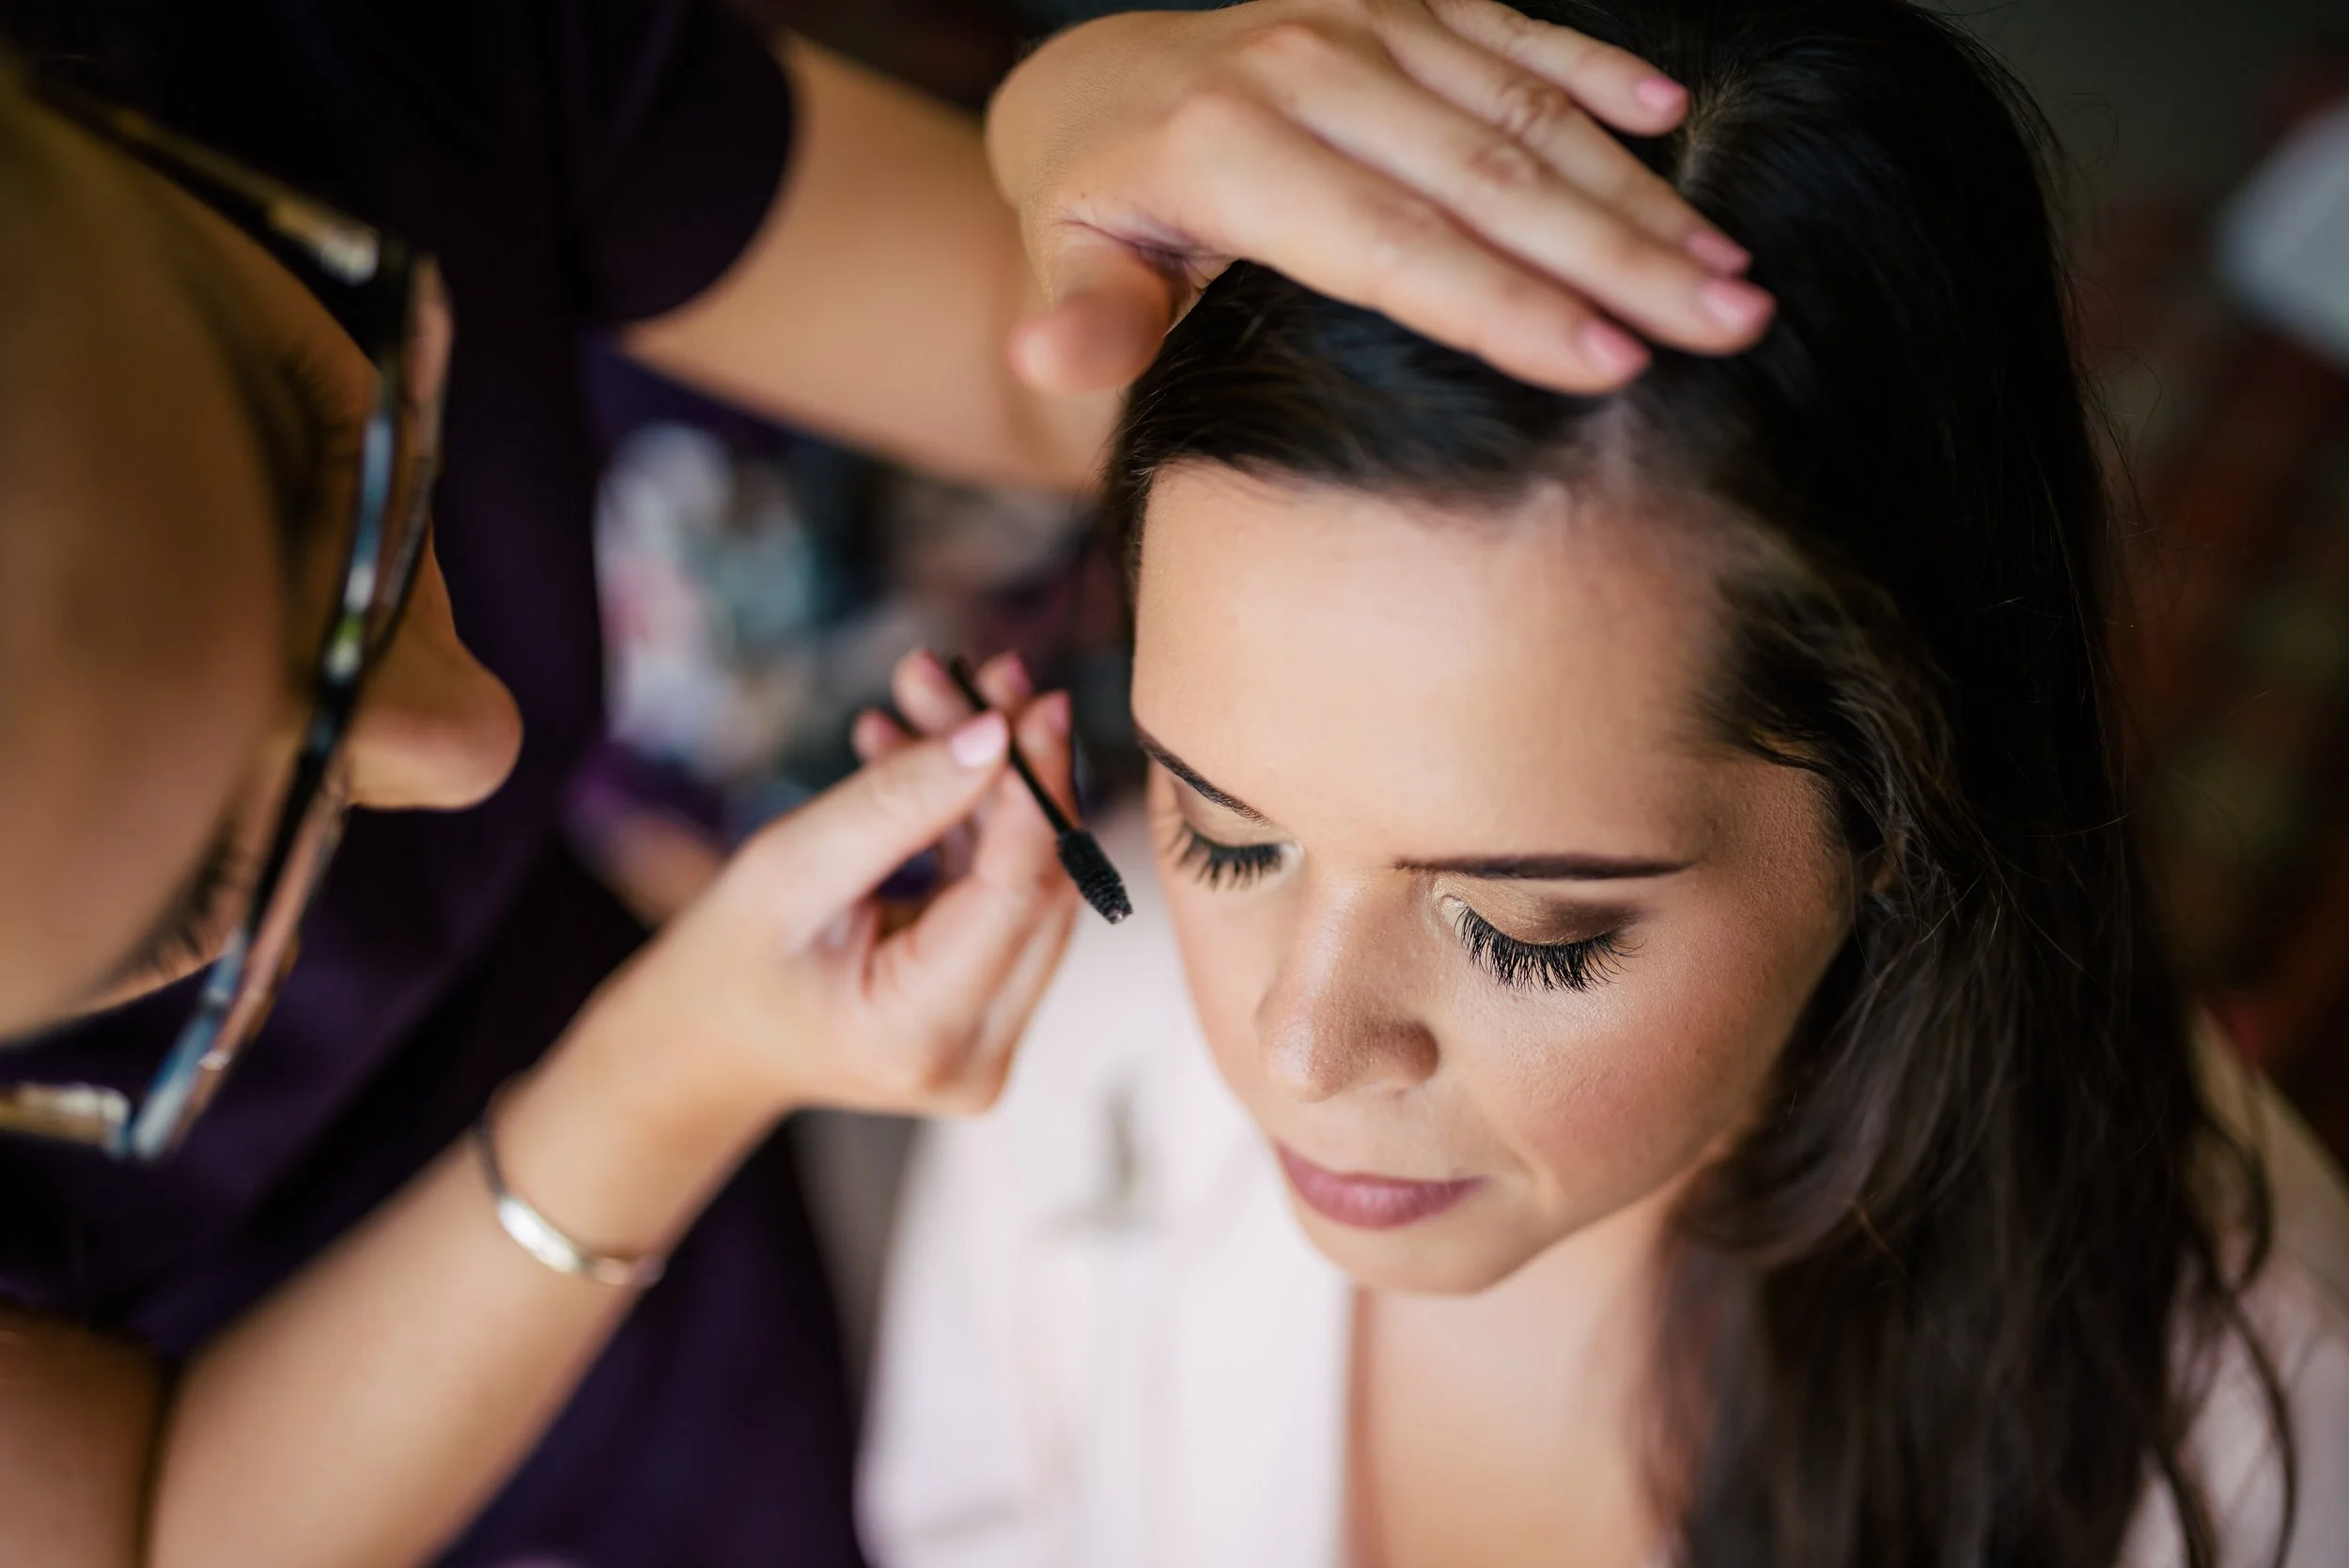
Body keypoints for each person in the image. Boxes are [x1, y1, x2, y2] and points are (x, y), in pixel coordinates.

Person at [0, 2, 1773, 1564]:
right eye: (203, 912)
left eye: (350, 475)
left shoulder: (324, 44)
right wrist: (673, 1062)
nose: (476, 752)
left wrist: (1071, 129)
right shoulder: (1055, 1215)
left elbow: (1182, 409)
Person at [859, 2, 2349, 1565]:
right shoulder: (1079, 1040)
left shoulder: (2229, 1427)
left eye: (1533, 930)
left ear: (1898, 816)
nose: (1296, 1049)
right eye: (1227, 838)